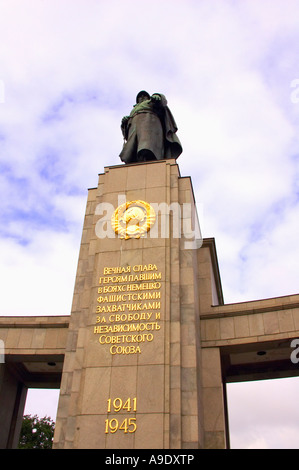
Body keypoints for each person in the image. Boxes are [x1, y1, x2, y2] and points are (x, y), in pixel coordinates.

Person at [119, 91, 182, 163]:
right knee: (133, 148)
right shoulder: (134, 110)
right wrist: (125, 122)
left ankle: (147, 160)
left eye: (144, 96)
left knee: (147, 146)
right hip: (135, 127)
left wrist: (158, 96)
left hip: (149, 123)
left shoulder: (151, 102)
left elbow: (162, 102)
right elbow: (126, 132)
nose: (142, 97)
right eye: (140, 97)